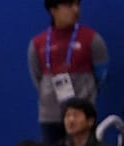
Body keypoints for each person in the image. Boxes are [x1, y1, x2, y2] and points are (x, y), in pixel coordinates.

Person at [28, 0, 109, 135]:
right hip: (50, 115)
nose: (75, 9)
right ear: (53, 10)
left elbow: (101, 75)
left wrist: (87, 96)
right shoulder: (37, 43)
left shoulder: (92, 38)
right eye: (69, 5)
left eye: (77, 4)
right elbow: (37, 78)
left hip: (83, 114)